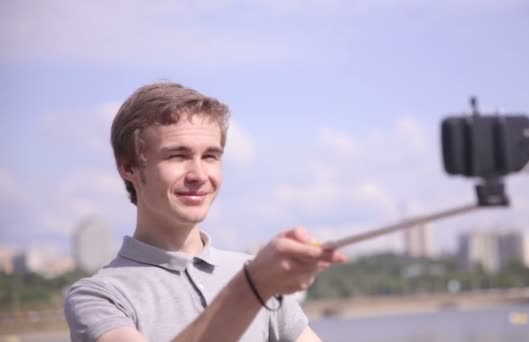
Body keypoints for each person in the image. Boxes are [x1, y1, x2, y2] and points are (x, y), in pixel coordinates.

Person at [64, 82, 346, 341]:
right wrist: (253, 288)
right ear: (128, 167)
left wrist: (258, 281)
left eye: (210, 156)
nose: (199, 174)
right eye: (178, 155)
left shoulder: (253, 272)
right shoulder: (99, 296)